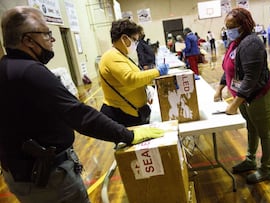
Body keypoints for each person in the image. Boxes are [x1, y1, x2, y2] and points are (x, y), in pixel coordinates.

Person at [0, 6, 165, 203]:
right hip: (48, 178)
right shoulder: (31, 72)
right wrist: (128, 135)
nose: (52, 40)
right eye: (46, 34)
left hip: (21, 173)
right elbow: (79, 114)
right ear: (27, 40)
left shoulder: (6, 67)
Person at [213, 7, 270, 184]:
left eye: (231, 26)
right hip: (243, 96)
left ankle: (266, 169)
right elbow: (229, 69)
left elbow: (251, 77)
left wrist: (234, 103)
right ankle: (250, 160)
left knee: (264, 131)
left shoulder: (251, 43)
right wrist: (219, 88)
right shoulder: (235, 43)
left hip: (259, 94)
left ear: (243, 25)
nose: (228, 30)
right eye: (226, 27)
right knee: (251, 126)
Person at [99, 19, 169, 127]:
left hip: (134, 112)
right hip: (123, 114)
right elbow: (131, 79)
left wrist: (148, 87)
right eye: (135, 40)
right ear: (124, 39)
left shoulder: (122, 56)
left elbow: (137, 77)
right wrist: (157, 72)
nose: (136, 43)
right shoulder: (111, 56)